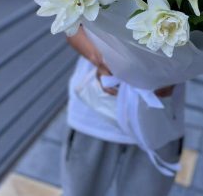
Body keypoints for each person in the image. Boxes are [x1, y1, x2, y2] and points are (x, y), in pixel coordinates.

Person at [61, 25, 184, 196]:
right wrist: (99, 59)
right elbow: (71, 25)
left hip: (158, 120)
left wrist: (172, 74)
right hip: (95, 114)